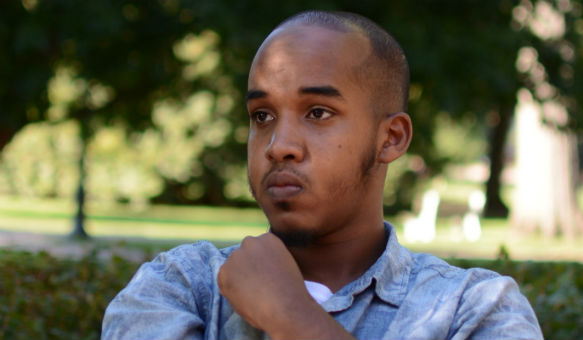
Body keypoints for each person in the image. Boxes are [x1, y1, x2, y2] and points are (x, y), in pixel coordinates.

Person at [102, 10, 543, 340]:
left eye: (318, 112)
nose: (278, 145)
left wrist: (293, 316)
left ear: (390, 138)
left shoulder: (475, 309)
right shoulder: (180, 287)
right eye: (261, 116)